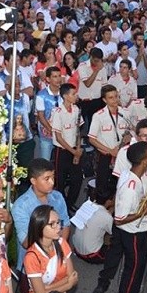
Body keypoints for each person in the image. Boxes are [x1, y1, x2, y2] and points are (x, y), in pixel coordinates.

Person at [93, 142, 147, 293]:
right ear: (143, 161)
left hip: (128, 230)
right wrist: (142, 212)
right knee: (133, 271)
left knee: (124, 264)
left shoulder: (129, 174)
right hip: (132, 233)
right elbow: (120, 219)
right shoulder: (131, 187)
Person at [17, 205, 77, 293]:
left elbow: (72, 275)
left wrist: (47, 288)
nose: (58, 227)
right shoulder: (32, 257)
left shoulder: (61, 242)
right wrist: (67, 284)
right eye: (52, 224)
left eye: (58, 222)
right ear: (39, 227)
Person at [11, 159, 71, 271]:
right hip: (33, 264)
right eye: (46, 179)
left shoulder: (57, 197)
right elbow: (25, 242)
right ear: (33, 180)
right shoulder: (21, 206)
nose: (52, 182)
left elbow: (65, 224)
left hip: (57, 258)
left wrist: (60, 250)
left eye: (53, 177)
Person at [88, 84, 129, 200]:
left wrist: (129, 137)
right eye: (111, 97)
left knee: (119, 186)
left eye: (116, 96)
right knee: (102, 187)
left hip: (121, 156)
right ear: (104, 100)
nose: (115, 100)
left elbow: (131, 130)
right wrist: (110, 151)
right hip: (105, 156)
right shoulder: (98, 116)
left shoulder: (125, 112)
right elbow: (91, 139)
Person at [50, 83, 84, 211]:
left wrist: (78, 149)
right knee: (60, 181)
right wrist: (73, 151)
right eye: (73, 94)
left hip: (75, 150)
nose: (76, 96)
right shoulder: (58, 112)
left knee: (77, 179)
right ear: (65, 96)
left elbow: (78, 131)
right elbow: (58, 137)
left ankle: (69, 204)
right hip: (62, 151)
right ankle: (60, 206)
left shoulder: (76, 110)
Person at [70, 190, 113, 264]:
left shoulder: (86, 205)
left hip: (76, 249)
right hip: (91, 255)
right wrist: (114, 208)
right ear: (108, 201)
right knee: (115, 238)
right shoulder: (107, 217)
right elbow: (112, 231)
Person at [36, 67, 63, 161]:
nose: (58, 79)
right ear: (48, 79)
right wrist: (51, 130)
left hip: (62, 133)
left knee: (61, 161)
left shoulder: (64, 93)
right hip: (47, 133)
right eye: (55, 76)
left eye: (59, 76)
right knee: (45, 160)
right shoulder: (41, 95)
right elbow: (41, 116)